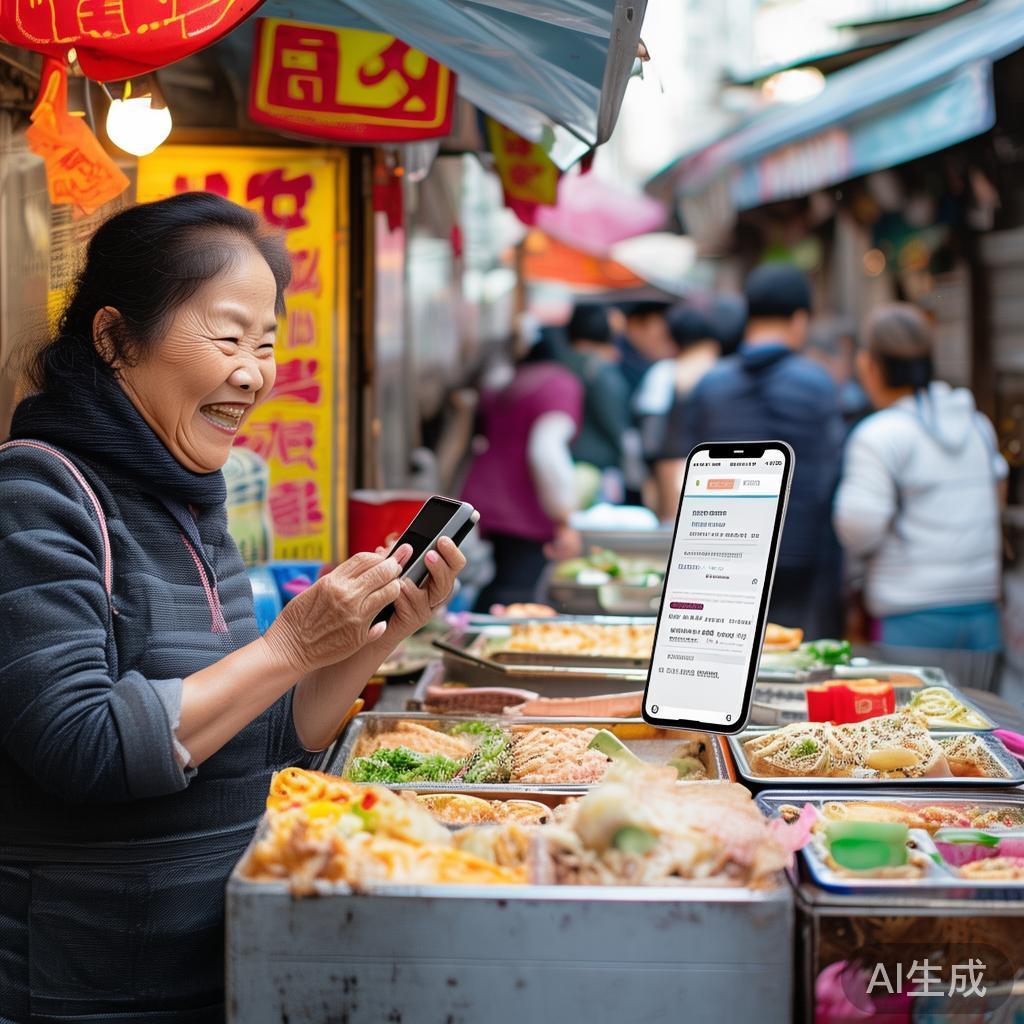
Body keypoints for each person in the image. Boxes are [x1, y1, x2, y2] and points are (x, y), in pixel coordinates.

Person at [0, 193, 466, 1023]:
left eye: (267, 342)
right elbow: (79, 746)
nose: (252, 371)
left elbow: (263, 742)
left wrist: (372, 641)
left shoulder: (189, 495)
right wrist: (290, 646)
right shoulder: (33, 493)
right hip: (90, 987)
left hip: (223, 961)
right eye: (227, 337)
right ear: (114, 339)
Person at [663, 264, 845, 637]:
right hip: (803, 559)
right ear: (799, 320)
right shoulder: (818, 384)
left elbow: (685, 473)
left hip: (726, 559)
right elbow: (832, 473)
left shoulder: (710, 385)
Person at [833, 302, 1007, 687]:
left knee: (912, 736)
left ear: (869, 364)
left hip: (909, 619)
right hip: (982, 615)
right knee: (980, 736)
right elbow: (996, 495)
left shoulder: (878, 435)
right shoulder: (977, 423)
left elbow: (857, 529)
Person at [463, 325, 583, 610]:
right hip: (522, 508)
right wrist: (564, 517)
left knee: (498, 585)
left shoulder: (509, 381)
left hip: (484, 498)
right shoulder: (559, 384)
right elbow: (546, 451)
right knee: (513, 593)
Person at [645, 305, 721, 522]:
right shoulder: (717, 371)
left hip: (674, 470)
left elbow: (650, 436)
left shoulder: (664, 373)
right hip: (703, 469)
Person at [559, 303, 630, 484]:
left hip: (561, 462)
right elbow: (615, 421)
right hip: (594, 468)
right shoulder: (599, 368)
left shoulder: (559, 361)